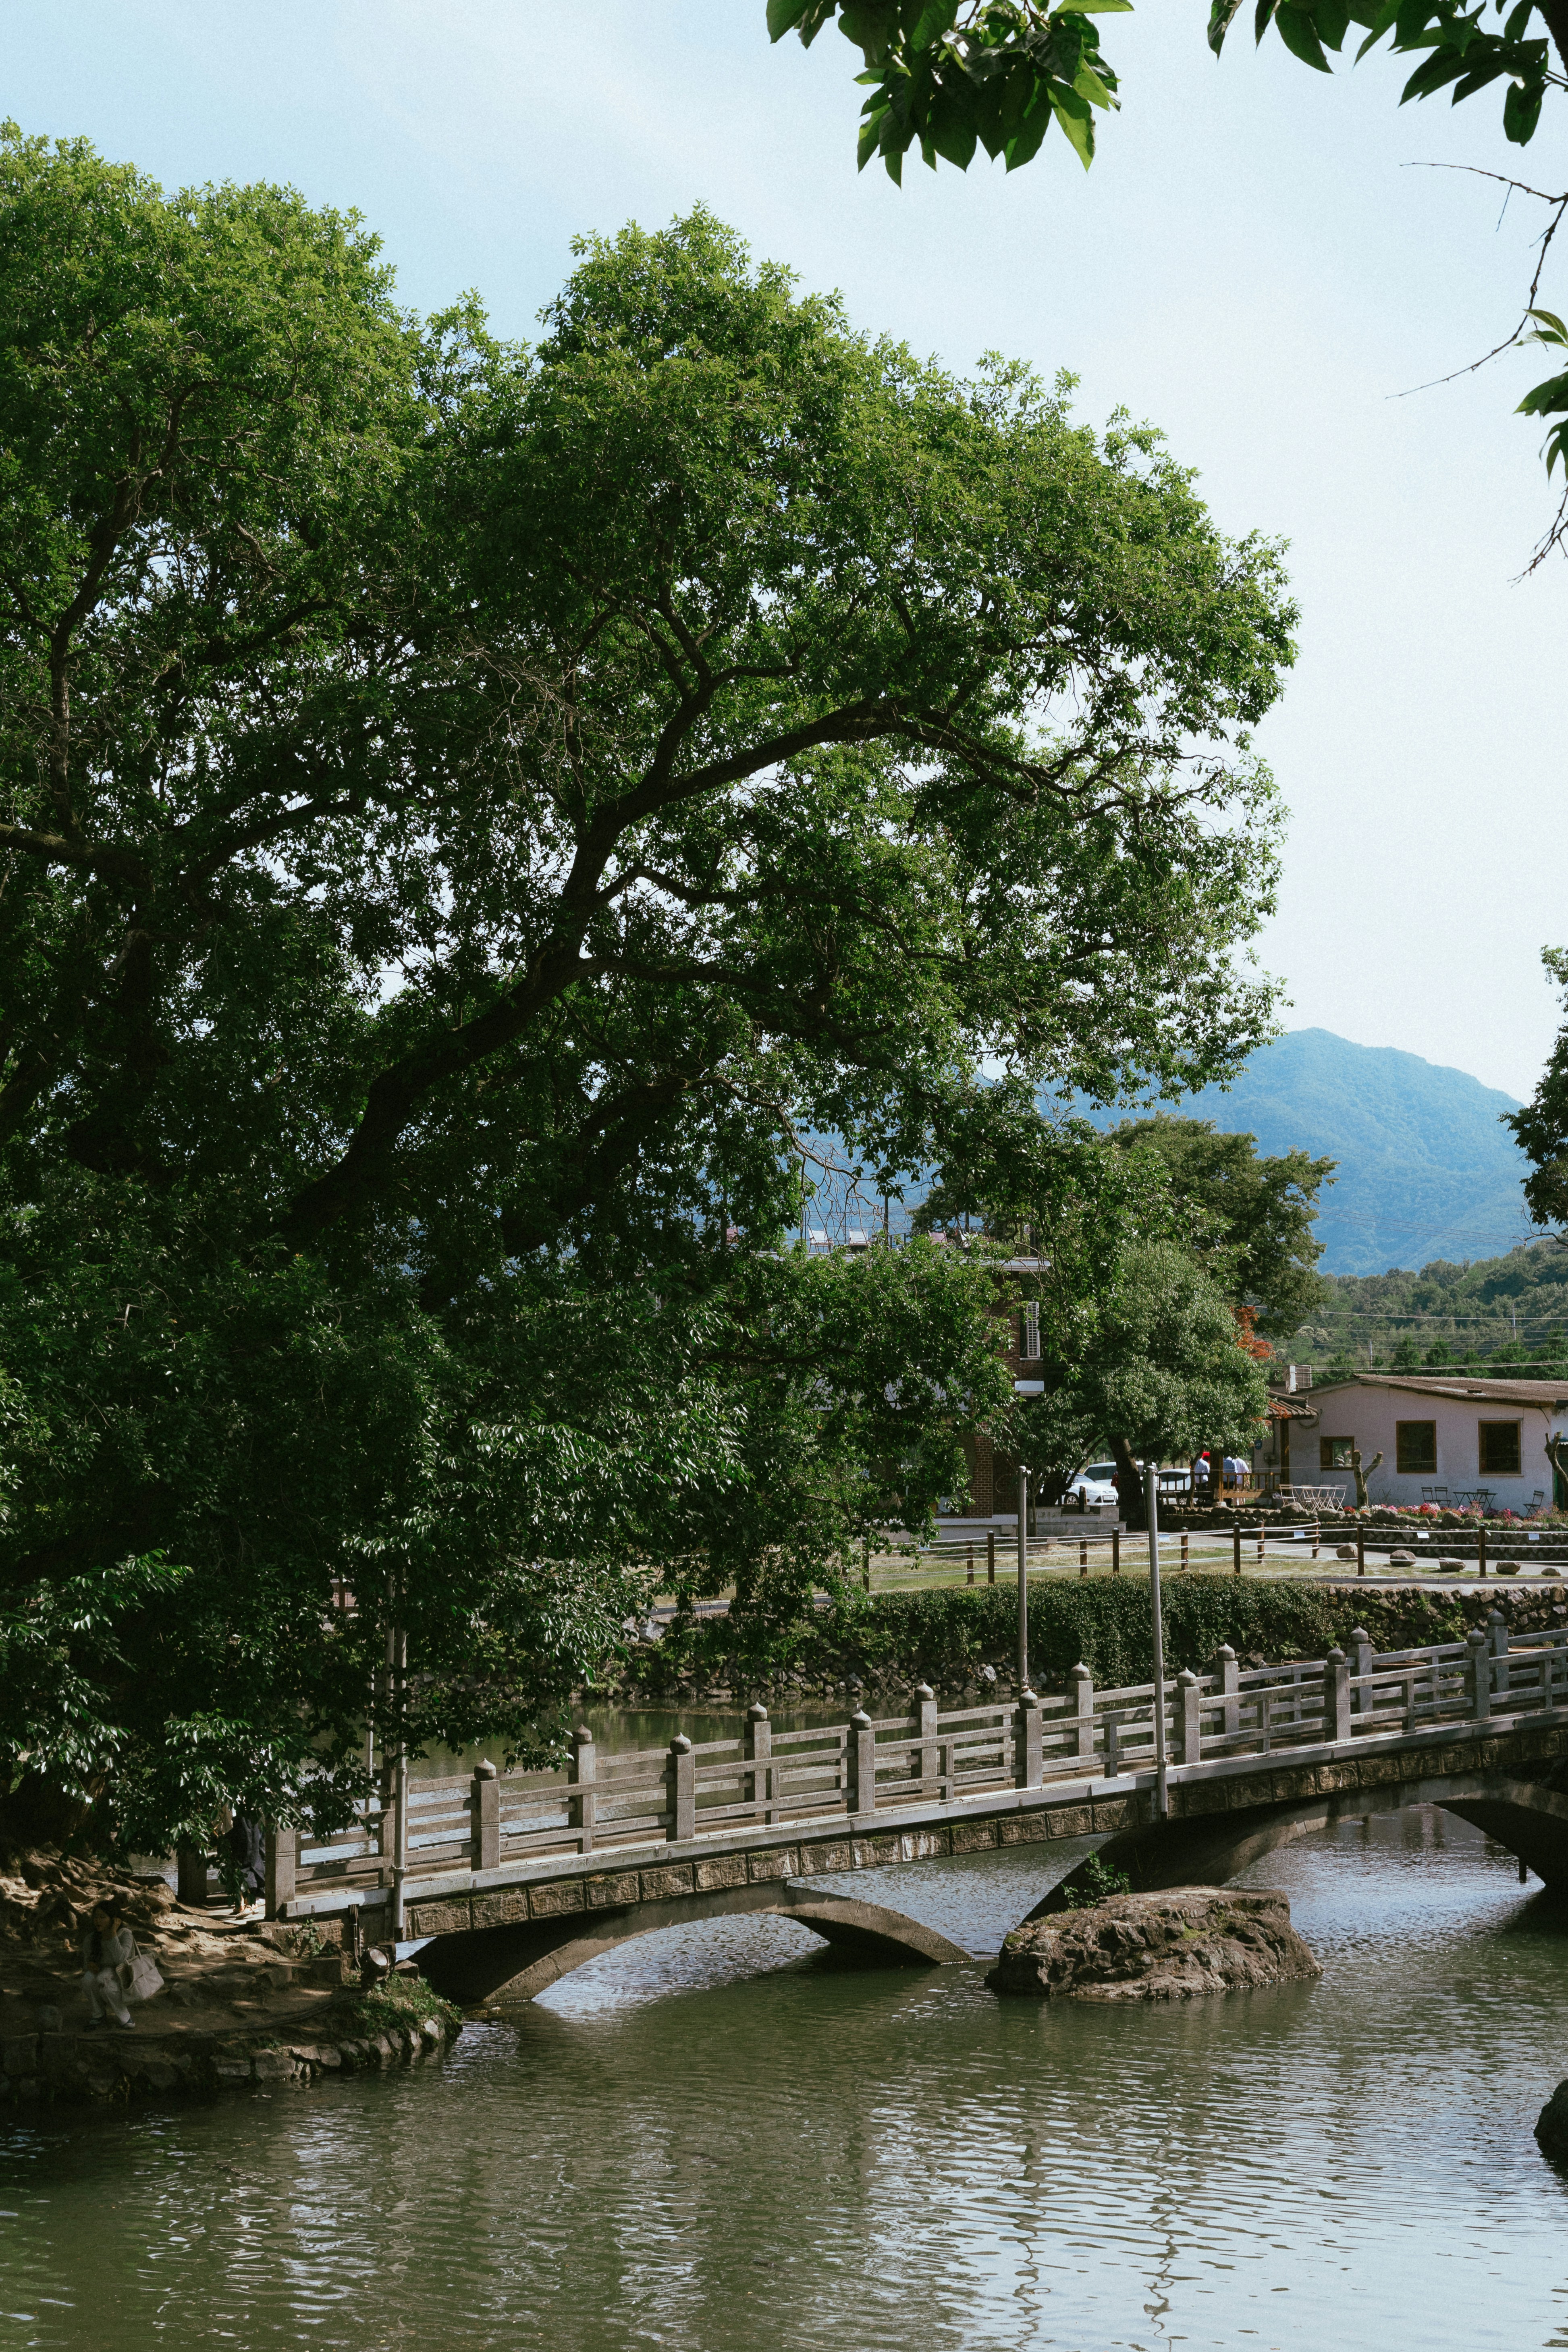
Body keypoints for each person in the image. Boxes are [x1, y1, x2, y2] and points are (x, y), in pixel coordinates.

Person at [79, 1898, 137, 2031]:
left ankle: (125, 2017)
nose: (98, 1921)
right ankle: (98, 2014)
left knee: (105, 1983)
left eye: (103, 1917)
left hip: (122, 1973)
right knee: (87, 1979)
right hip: (102, 1971)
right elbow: (86, 1962)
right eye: (96, 1917)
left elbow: (121, 1960)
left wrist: (112, 1935)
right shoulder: (92, 1938)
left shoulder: (125, 1934)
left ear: (114, 1919)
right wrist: (90, 1965)